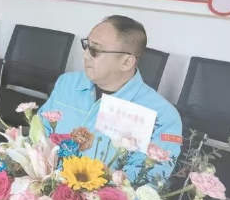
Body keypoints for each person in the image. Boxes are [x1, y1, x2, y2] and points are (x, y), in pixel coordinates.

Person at [37, 15, 182, 181]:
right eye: (87, 45)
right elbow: (39, 133)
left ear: (126, 62)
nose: (85, 55)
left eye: (95, 51)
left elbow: (151, 179)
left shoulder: (163, 116)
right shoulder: (67, 83)